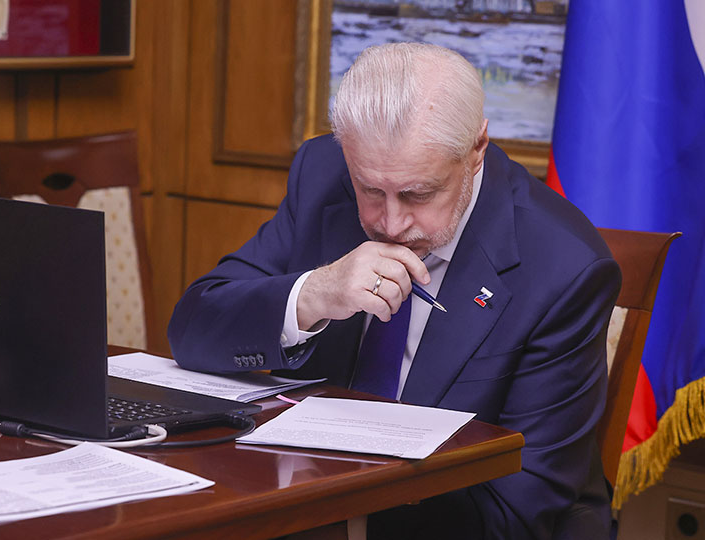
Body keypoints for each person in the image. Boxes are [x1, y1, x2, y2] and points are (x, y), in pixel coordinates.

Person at [168, 43, 622, 539]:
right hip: (301, 504)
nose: (390, 223)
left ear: (476, 150)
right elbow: (193, 329)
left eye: (417, 194)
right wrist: (314, 294)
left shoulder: (563, 267)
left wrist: (331, 519)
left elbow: (518, 509)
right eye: (370, 190)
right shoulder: (322, 175)